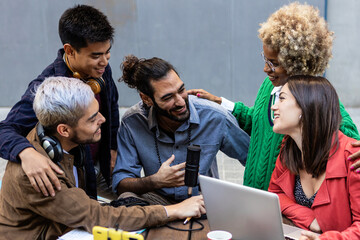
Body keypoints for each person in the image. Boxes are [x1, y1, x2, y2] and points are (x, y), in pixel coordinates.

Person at [0, 77, 205, 240]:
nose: (103, 119)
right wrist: (173, 210)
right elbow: (98, 217)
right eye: (92, 119)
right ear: (64, 130)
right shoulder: (39, 176)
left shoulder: (54, 138)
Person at [188, 2, 360, 191]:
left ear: (297, 62)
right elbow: (259, 122)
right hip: (255, 195)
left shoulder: (316, 100)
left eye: (274, 63)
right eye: (265, 59)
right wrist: (222, 103)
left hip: (284, 207)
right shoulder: (269, 86)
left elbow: (350, 139)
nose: (265, 69)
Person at [0, 5, 119, 199]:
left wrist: (112, 148)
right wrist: (26, 153)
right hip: (70, 179)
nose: (105, 61)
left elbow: (112, 109)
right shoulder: (45, 90)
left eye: (107, 52)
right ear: (69, 50)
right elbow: (4, 130)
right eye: (96, 55)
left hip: (100, 167)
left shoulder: (102, 70)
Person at [112, 55, 250, 204]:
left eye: (181, 90)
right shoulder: (132, 122)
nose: (180, 102)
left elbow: (252, 159)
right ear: (147, 99)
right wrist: (155, 181)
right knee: (124, 201)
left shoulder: (215, 116)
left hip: (204, 203)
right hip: (157, 204)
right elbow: (121, 184)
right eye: (167, 97)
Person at [268, 75, 360, 240]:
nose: (274, 106)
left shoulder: (353, 156)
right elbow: (275, 194)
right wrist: (310, 219)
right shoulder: (288, 148)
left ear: (305, 107)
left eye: (282, 99)